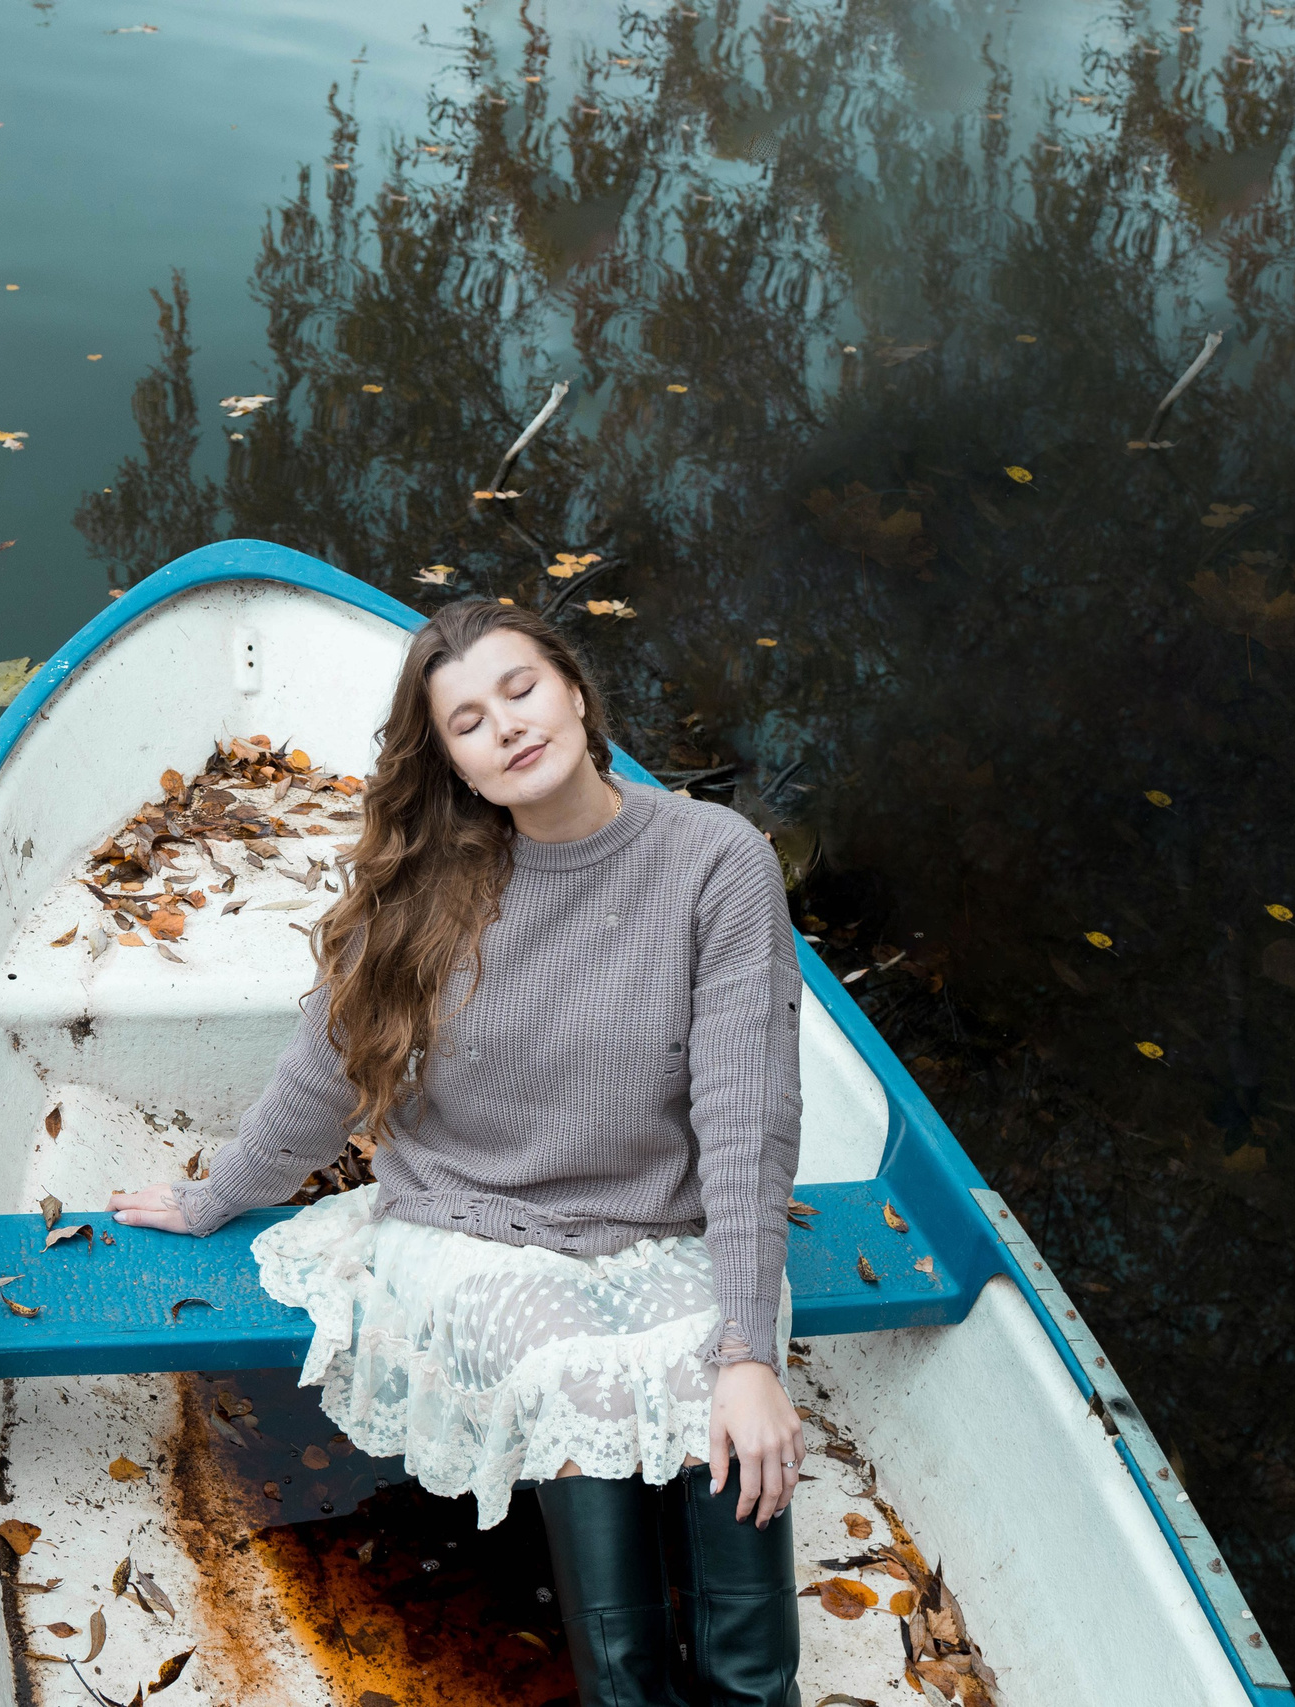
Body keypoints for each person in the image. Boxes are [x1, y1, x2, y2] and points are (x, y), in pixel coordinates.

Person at [108, 598, 803, 1707]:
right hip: (474, 1226)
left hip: (653, 1223)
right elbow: (321, 1083)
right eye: (468, 722)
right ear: (455, 764)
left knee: (706, 1375)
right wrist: (213, 1200)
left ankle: (756, 1694)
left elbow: (745, 1117)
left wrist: (750, 1354)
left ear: (574, 691)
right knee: (576, 1375)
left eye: (519, 690)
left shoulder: (715, 861)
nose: (507, 728)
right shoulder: (431, 891)